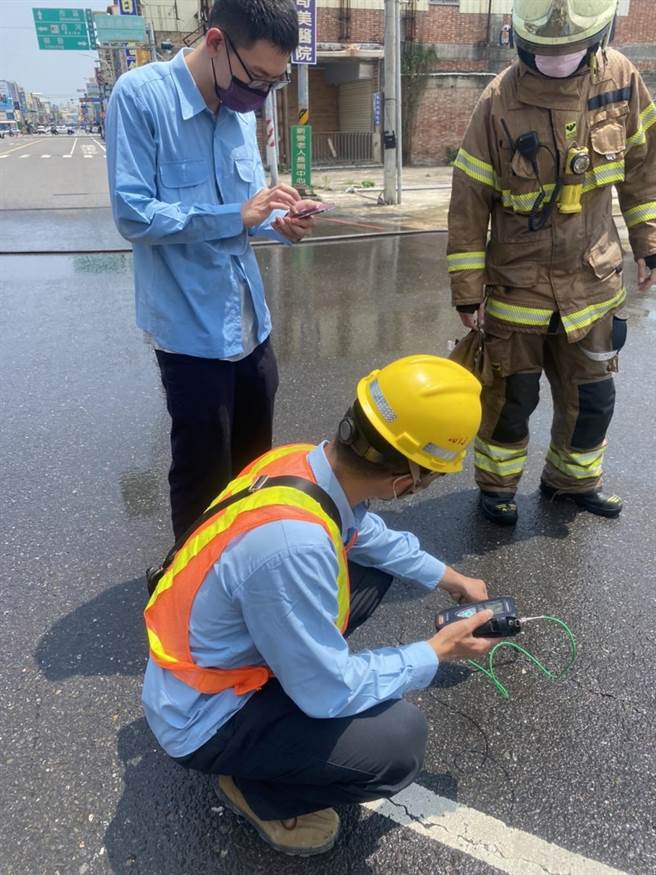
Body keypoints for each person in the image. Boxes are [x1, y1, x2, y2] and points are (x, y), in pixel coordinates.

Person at [142, 355, 498, 856]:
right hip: (203, 715)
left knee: (371, 571)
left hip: (205, 658)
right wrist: (434, 652)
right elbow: (327, 692)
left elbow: (367, 534)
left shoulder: (302, 462)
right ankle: (259, 790)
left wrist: (451, 578)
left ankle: (278, 717)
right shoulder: (294, 546)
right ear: (409, 480)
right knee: (399, 742)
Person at [106, 0, 318, 539]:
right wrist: (237, 214)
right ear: (218, 42)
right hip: (191, 334)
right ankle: (193, 590)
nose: (262, 94)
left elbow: (246, 217)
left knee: (253, 469)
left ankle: (243, 569)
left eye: (275, 81)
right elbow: (134, 213)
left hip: (252, 325)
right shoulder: (141, 96)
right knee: (203, 472)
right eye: (258, 77)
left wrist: (277, 224)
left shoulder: (239, 113)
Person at [447, 0, 656, 526]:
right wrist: (467, 290)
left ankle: (573, 481)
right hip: (519, 286)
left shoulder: (622, 80)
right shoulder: (499, 99)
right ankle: (497, 487)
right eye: (545, 49)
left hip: (593, 281)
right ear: (521, 40)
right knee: (509, 397)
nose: (557, 57)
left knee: (593, 396)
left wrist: (648, 242)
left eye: (570, 47)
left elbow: (642, 170)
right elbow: (470, 198)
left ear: (598, 35)